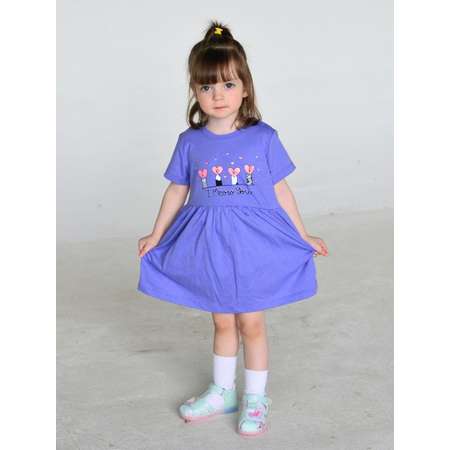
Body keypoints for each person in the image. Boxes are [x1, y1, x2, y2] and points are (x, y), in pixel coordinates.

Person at [137, 20, 329, 437]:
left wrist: (302, 235)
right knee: (223, 322)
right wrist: (156, 235)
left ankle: (255, 397)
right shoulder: (190, 142)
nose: (218, 95)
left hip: (253, 246)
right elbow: (177, 190)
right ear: (195, 91)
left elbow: (281, 190)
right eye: (206, 87)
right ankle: (223, 390)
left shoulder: (263, 137)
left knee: (251, 323)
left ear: (245, 87)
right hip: (211, 245)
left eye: (227, 84)